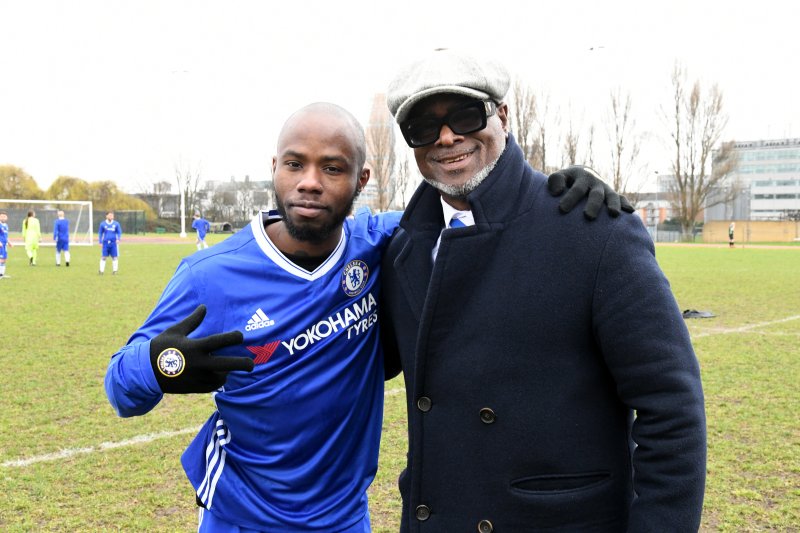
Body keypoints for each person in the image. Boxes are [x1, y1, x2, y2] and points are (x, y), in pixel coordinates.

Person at [103, 101, 622, 531]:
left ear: (361, 178)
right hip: (242, 516)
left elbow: (475, 211)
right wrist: (160, 364)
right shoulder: (211, 276)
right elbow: (121, 390)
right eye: (294, 164)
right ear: (275, 168)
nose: (309, 182)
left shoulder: (382, 241)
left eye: (332, 168)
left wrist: (559, 191)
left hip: (346, 517)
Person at [380, 48, 707, 532]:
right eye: (423, 127)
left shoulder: (596, 230)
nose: (446, 138)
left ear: (503, 115)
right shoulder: (402, 250)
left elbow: (671, 408)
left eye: (466, 116)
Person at [98, 211, 122, 275]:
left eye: (112, 215)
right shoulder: (102, 224)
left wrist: (118, 239)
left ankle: (115, 271)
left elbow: (119, 232)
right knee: (103, 257)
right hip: (105, 243)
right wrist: (100, 242)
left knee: (114, 257)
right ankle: (101, 271)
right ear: (106, 216)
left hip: (113, 243)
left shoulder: (116, 224)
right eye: (110, 215)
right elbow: (100, 233)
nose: (111, 216)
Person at [0, 210, 11, 279]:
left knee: (4, 259)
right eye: (1, 216)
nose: (3, 218)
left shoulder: (6, 225)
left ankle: (2, 274)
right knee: (1, 259)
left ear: (7, 218)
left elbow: (5, 236)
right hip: (0, 245)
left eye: (4, 216)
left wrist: (9, 242)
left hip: (4, 245)